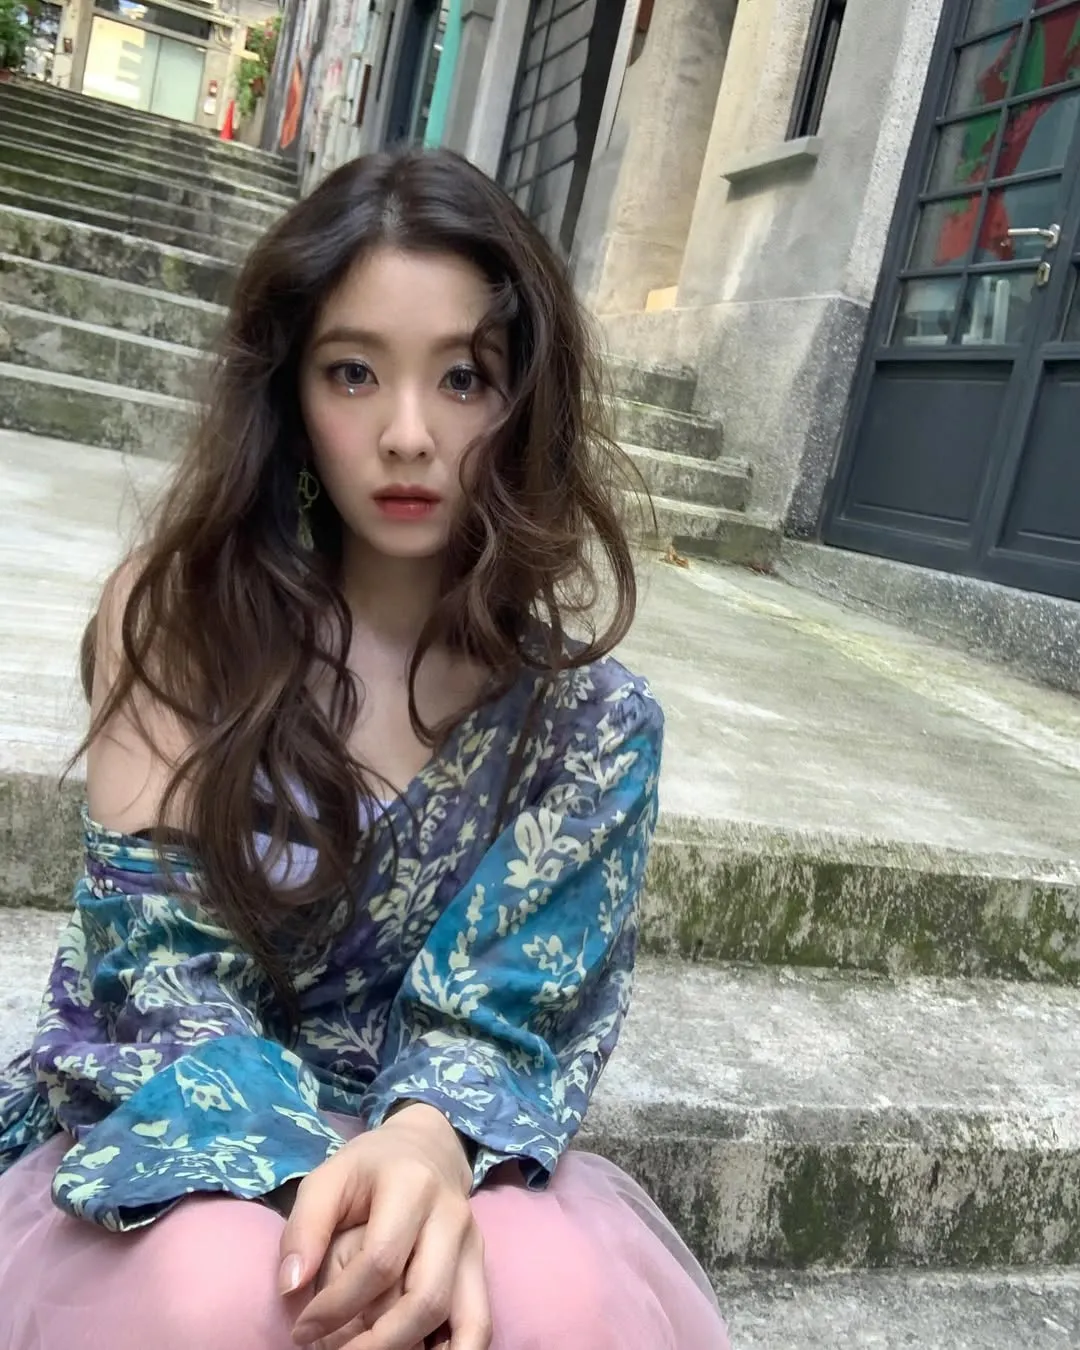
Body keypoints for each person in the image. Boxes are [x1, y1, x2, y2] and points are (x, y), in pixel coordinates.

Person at [0, 148, 729, 1350]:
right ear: (290, 389)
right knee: (224, 1291)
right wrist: (324, 1209)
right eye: (353, 372)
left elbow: (500, 1028)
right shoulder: (181, 624)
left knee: (557, 1300)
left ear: (525, 399)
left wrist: (423, 1149)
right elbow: (161, 975)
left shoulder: (593, 727)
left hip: (435, 1143)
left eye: (463, 377)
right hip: (192, 1113)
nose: (407, 434)